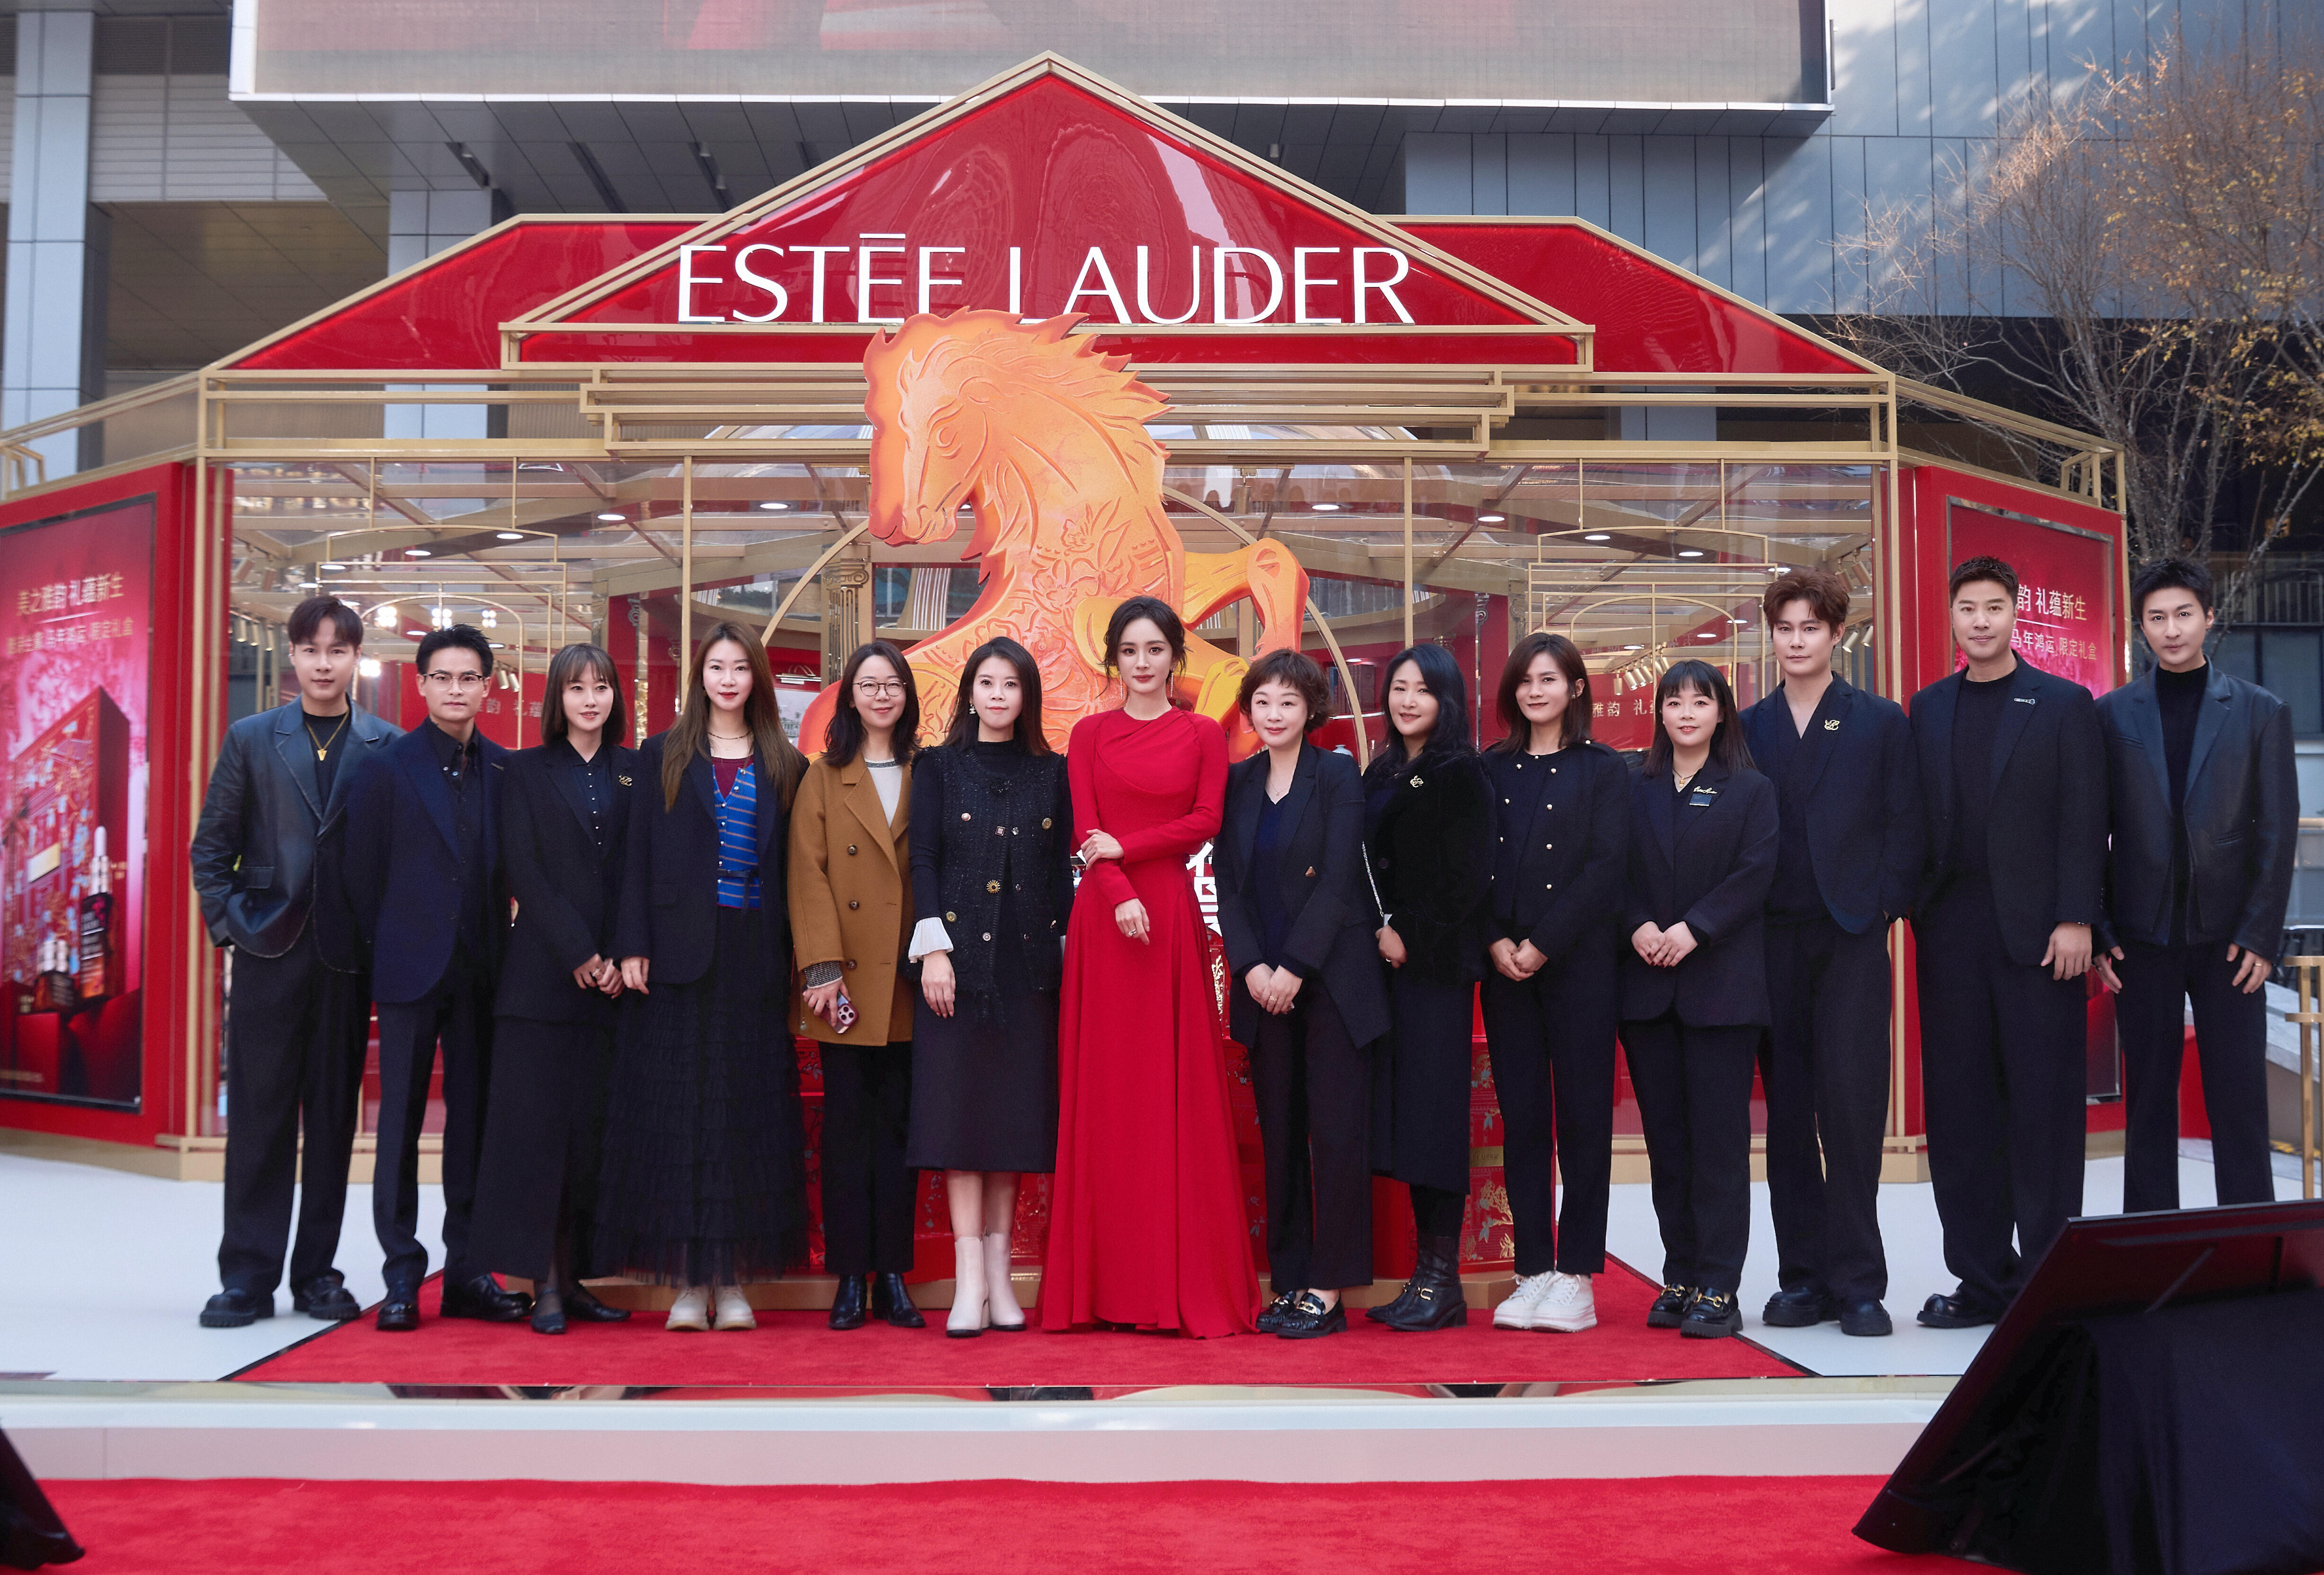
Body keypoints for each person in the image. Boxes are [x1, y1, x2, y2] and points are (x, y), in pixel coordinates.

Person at [1040, 595, 1258, 1335]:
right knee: (1107, 1096)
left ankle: (1174, 1282)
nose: (1141, 662)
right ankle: (1103, 1286)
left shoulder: (1201, 733)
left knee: (1174, 1093)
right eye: (1129, 650)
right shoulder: (1088, 733)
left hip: (1168, 916)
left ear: (1175, 656)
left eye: (1155, 649)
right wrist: (1118, 889)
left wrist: (1129, 854)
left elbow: (1206, 822)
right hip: (1106, 923)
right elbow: (1085, 830)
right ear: (1113, 658)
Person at [190, 595, 399, 1329]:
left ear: (357, 658)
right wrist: (234, 927)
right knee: (258, 1118)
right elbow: (211, 849)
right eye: (311, 649)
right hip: (267, 955)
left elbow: (397, 856)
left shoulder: (385, 744)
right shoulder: (251, 738)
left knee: (335, 1122)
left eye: (338, 650)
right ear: (292, 655)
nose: (323, 663)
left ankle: (317, 1274)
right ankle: (246, 1277)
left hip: (347, 959)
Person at [1908, 556, 2107, 1327]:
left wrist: (2078, 915)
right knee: (1962, 1115)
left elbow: (2086, 814)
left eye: (1994, 606)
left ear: (2017, 611)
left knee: (2044, 1113)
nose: (1981, 620)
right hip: (1951, 934)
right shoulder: (1929, 707)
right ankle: (1982, 1280)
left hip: (2043, 938)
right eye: (1968, 607)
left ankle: (2050, 1281)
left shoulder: (2062, 703)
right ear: (1953, 616)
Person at [598, 622, 810, 1333]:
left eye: (740, 668)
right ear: (700, 677)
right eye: (716, 667)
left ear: (757, 678)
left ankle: (737, 1282)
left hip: (755, 950)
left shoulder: (786, 762)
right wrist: (632, 944)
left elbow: (797, 872)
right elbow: (635, 857)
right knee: (681, 1118)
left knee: (743, 1116)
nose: (727, 680)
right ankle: (689, 1285)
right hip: (675, 955)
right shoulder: (663, 753)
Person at [1737, 570, 1922, 1339]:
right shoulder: (1747, 725)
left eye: (1811, 627)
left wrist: (1882, 905)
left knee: (1851, 1108)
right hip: (1770, 937)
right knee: (1787, 1115)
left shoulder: (1880, 720)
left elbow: (1908, 823)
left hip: (1851, 937)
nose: (1797, 640)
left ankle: (1859, 1282)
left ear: (1837, 634)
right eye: (1785, 628)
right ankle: (1802, 1277)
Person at [2095, 556, 2295, 1213]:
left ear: (2209, 617)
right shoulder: (2112, 714)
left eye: (2184, 614)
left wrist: (2261, 934)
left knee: (2239, 1106)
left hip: (2230, 942)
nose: (2172, 629)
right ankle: (2150, 1250)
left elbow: (2277, 832)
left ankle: (2254, 1248)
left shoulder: (2260, 712)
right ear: (2141, 627)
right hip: (2140, 939)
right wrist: (2101, 929)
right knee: (2148, 1107)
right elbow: (2091, 830)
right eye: (2157, 617)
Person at [341, 623, 525, 1332]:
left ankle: (469, 1272)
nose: (455, 689)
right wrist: (388, 950)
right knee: (400, 1127)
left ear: (487, 686)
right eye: (442, 677)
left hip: (484, 971)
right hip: (409, 971)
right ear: (421, 684)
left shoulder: (507, 771)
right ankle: (400, 1276)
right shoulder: (386, 769)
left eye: (468, 677)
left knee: (474, 1126)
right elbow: (361, 876)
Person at [1215, 648, 1388, 1341]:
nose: (1274, 713)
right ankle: (1289, 1280)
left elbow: (1340, 878)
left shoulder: (1337, 773)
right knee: (1280, 1135)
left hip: (1332, 982)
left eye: (1288, 701)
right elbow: (1228, 885)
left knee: (1337, 1137)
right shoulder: (1237, 780)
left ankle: (1329, 1288)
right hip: (1263, 987)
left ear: (1311, 708)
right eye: (1262, 701)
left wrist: (1293, 967)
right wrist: (1253, 968)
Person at [905, 636, 1075, 1337]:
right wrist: (933, 950)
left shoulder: (1054, 771)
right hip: (955, 968)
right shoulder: (938, 766)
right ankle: (969, 1280)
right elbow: (923, 859)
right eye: (987, 683)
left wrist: (1070, 956)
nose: (998, 695)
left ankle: (1002, 1279)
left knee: (1013, 1125)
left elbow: (1061, 873)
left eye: (1011, 684)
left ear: (1026, 695)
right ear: (969, 693)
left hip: (1028, 969)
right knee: (959, 1121)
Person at [468, 644, 637, 1335]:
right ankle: (542, 1284)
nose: (590, 700)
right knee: (537, 1141)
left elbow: (640, 872)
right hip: (541, 983)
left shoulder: (635, 770)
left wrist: (619, 954)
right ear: (557, 699)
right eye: (576, 689)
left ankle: (577, 1279)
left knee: (590, 1141)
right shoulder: (523, 771)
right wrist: (580, 952)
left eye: (601, 687)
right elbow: (524, 870)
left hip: (615, 988)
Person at [1618, 659, 1778, 1340]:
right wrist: (1637, 924)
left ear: (1721, 713)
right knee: (1668, 1144)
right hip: (1647, 988)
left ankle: (1719, 1283)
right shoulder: (1633, 784)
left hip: (1722, 989)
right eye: (1674, 702)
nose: (1686, 713)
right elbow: (1611, 867)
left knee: (1719, 1144)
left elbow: (1755, 873)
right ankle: (1679, 1275)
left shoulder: (1751, 789)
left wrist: (1694, 929)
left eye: (1701, 702)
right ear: (1659, 712)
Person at [1478, 632, 1629, 1335]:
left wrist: (1542, 944)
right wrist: (1496, 940)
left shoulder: (1604, 769)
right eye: (1525, 681)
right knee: (1524, 1119)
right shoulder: (1490, 768)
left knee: (1583, 1119)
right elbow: (1474, 864)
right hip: (1505, 968)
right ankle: (1533, 1267)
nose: (1535, 691)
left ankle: (1577, 1275)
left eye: (1549, 679)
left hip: (1580, 966)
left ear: (1575, 688)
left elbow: (1606, 866)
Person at [790, 639, 927, 1332]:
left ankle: (894, 1276)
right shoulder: (823, 776)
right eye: (868, 685)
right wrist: (820, 968)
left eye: (892, 683)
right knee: (846, 1132)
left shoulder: (929, 771)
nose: (881, 695)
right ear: (849, 698)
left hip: (910, 977)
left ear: (907, 695)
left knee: (901, 1131)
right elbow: (807, 872)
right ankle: (849, 1275)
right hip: (841, 983)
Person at [1363, 644, 1493, 1334]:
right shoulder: (1382, 769)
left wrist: (1409, 934)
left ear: (1448, 700)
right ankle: (1424, 1276)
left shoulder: (1460, 772)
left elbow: (1468, 876)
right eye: (1398, 688)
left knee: (1434, 1122)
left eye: (1422, 689)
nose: (1407, 700)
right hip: (1385, 971)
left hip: (1435, 970)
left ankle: (1443, 1281)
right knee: (1407, 1123)